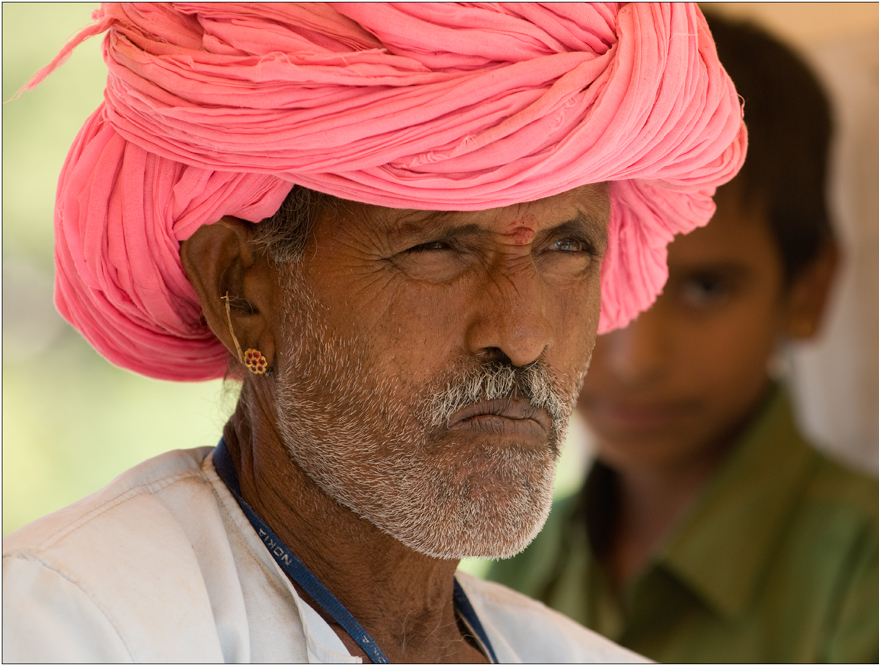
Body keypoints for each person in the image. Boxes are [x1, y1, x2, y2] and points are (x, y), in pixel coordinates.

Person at [1, 3, 747, 663]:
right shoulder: (73, 625)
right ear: (244, 293)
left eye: (565, 248)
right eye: (439, 248)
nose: (521, 336)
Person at [487, 13, 879, 663]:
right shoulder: (524, 555)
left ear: (807, 292)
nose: (637, 358)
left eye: (706, 290)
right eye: (596, 270)